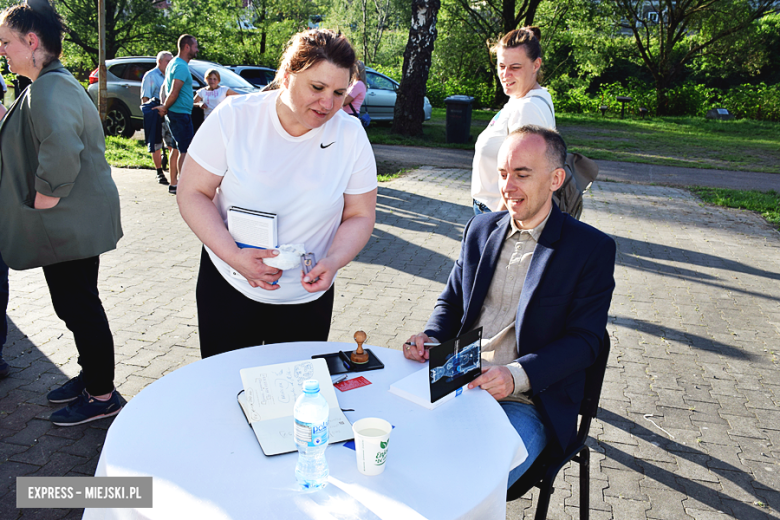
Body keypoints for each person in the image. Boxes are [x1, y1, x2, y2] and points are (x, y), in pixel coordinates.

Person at [405, 126, 616, 487]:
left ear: (556, 179)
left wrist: (516, 375)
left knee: (468, 484)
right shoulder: (481, 229)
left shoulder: (590, 249)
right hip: (457, 381)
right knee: (395, 453)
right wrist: (431, 335)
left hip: (529, 402)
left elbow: (586, 341)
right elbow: (453, 300)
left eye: (522, 174)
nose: (508, 186)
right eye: (503, 173)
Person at [177, 29, 377, 359]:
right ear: (285, 77)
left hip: (306, 299)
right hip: (229, 284)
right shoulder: (235, 118)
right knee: (227, 390)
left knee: (295, 394)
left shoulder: (351, 135)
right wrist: (234, 256)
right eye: (317, 87)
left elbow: (360, 214)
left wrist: (334, 260)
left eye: (340, 92)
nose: (328, 104)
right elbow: (191, 192)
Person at [0, 1, 126, 425]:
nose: (2, 51)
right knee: (74, 305)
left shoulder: (50, 87)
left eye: (6, 42)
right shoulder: (49, 82)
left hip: (65, 223)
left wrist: (41, 204)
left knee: (79, 306)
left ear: (32, 41)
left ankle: (102, 395)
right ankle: (93, 376)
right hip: (71, 223)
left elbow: (61, 152)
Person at [472, 27, 556, 216]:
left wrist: (497, 224)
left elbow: (524, 176)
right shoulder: (523, 98)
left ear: (536, 65)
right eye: (502, 66)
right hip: (493, 209)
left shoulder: (528, 107)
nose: (505, 74)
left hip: (498, 212)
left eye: (515, 67)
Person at [154, 34, 198, 195]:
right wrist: (165, 106)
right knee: (185, 150)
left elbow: (164, 87)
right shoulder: (181, 66)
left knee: (177, 149)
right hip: (180, 114)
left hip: (175, 113)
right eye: (195, 46)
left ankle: (174, 184)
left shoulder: (173, 63)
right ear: (187, 47)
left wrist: (165, 106)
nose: (197, 49)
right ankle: (183, 186)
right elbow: (174, 90)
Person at [141, 50, 173, 185]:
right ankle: (159, 172)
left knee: (173, 144)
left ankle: (174, 174)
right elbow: (145, 98)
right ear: (159, 61)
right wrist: (151, 113)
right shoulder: (151, 76)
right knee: (156, 144)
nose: (170, 63)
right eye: (167, 61)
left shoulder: (171, 75)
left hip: (170, 113)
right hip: (156, 114)